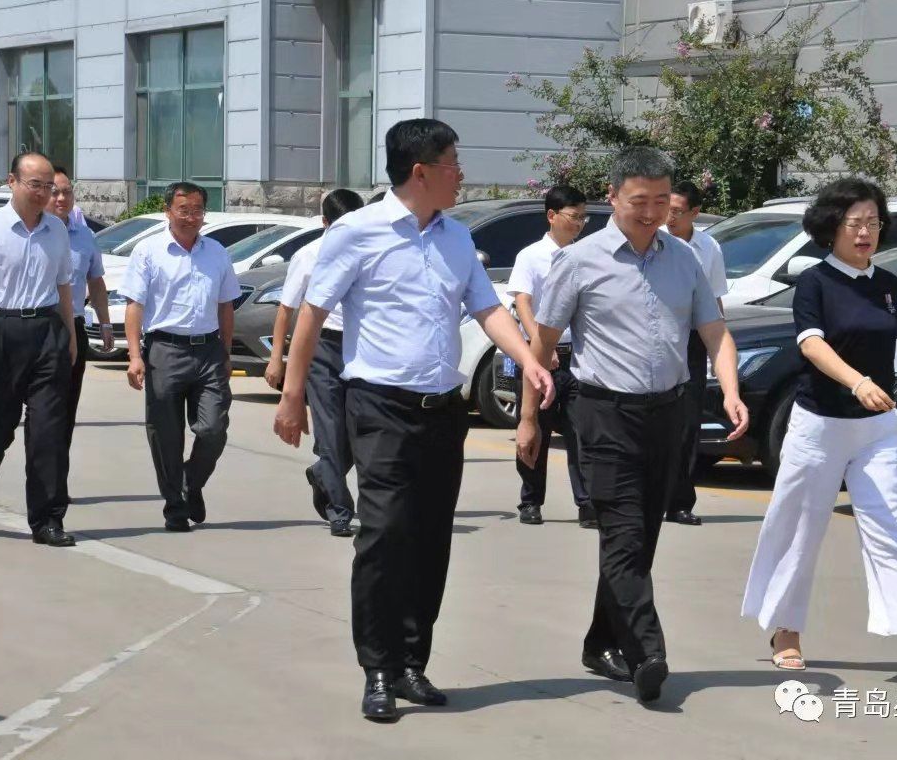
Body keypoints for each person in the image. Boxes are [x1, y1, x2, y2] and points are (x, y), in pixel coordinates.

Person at [274, 119, 554, 723]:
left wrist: (529, 358)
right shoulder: (357, 232)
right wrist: (293, 395)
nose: (462, 175)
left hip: (442, 412)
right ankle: (377, 668)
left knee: (430, 539)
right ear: (421, 171)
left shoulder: (457, 237)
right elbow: (312, 314)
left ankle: (410, 662)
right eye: (454, 164)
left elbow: (486, 309)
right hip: (379, 407)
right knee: (383, 535)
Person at [517, 146, 749, 705]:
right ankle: (647, 652)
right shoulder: (579, 261)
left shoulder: (684, 259)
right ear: (613, 198)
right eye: (639, 201)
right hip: (603, 414)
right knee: (622, 534)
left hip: (668, 413)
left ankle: (601, 642)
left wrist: (731, 390)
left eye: (661, 201)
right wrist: (529, 419)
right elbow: (542, 346)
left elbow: (714, 331)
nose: (651, 213)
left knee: (641, 537)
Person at [739, 177, 897, 685]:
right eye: (854, 223)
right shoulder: (814, 283)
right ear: (831, 228)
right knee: (800, 529)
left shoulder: (888, 285)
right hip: (818, 426)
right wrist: (857, 382)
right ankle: (786, 630)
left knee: (888, 530)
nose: (865, 232)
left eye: (873, 223)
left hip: (875, 430)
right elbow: (811, 344)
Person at [0, 152, 78, 547]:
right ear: (12, 182)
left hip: (47, 332)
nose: (44, 193)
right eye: (35, 184)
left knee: (48, 432)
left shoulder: (57, 230)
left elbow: (63, 288)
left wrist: (70, 337)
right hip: (0, 331)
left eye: (49, 186)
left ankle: (47, 520)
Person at [121, 182, 241, 533]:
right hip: (165, 350)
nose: (191, 217)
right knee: (166, 435)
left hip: (208, 351)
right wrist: (134, 356)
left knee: (214, 428)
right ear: (168, 212)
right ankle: (175, 506)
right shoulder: (148, 251)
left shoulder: (216, 252)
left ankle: (192, 480)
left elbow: (226, 306)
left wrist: (226, 352)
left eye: (197, 210)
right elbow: (134, 305)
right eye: (183, 210)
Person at [264, 188, 364, 537]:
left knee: (358, 432)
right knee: (330, 430)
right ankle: (340, 510)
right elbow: (286, 309)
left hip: (361, 349)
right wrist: (277, 359)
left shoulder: (370, 251)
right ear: (325, 223)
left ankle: (322, 472)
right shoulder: (308, 256)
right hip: (322, 348)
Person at [505, 183, 592, 528]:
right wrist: (542, 346)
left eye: (584, 217)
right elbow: (523, 303)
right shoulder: (531, 256)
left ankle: (587, 504)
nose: (579, 223)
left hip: (577, 360)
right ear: (552, 216)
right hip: (539, 358)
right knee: (534, 429)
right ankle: (530, 500)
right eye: (574, 216)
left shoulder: (584, 257)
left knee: (581, 433)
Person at [661, 180, 727, 526]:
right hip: (656, 339)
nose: (669, 218)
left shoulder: (708, 247)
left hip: (692, 341)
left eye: (677, 212)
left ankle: (680, 503)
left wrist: (719, 349)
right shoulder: (653, 239)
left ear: (695, 213)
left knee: (687, 423)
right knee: (652, 420)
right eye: (666, 209)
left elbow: (715, 301)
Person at [47, 166, 113, 472]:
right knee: (39, 408)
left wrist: (105, 322)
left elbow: (95, 281)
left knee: (66, 406)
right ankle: (41, 474)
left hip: (72, 327)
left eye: (67, 192)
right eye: (55, 192)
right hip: (35, 326)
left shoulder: (85, 235)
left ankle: (56, 478)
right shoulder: (32, 232)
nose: (62, 198)